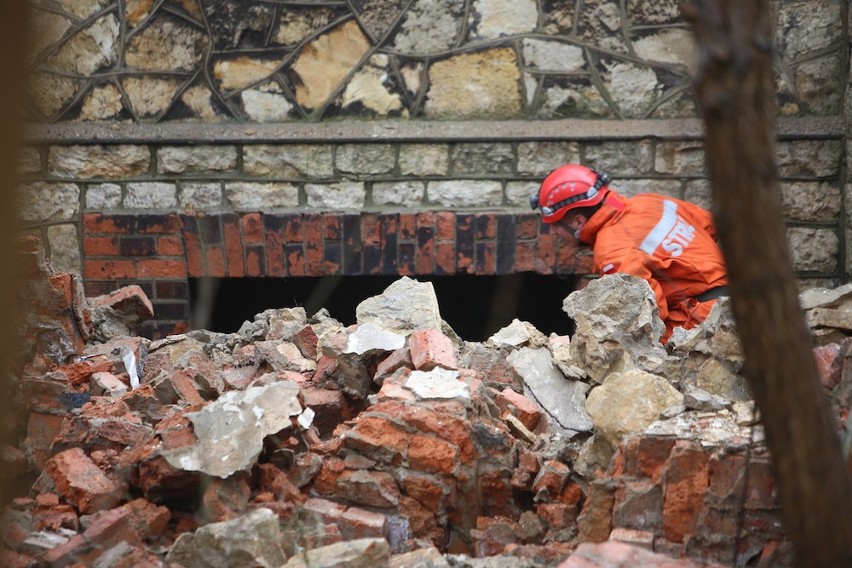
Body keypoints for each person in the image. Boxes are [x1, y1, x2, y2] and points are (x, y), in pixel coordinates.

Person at [530, 164, 728, 342]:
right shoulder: (649, 202)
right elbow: (709, 224)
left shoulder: (611, 250)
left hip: (707, 320)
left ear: (578, 222)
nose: (553, 232)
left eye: (555, 224)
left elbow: (648, 313)